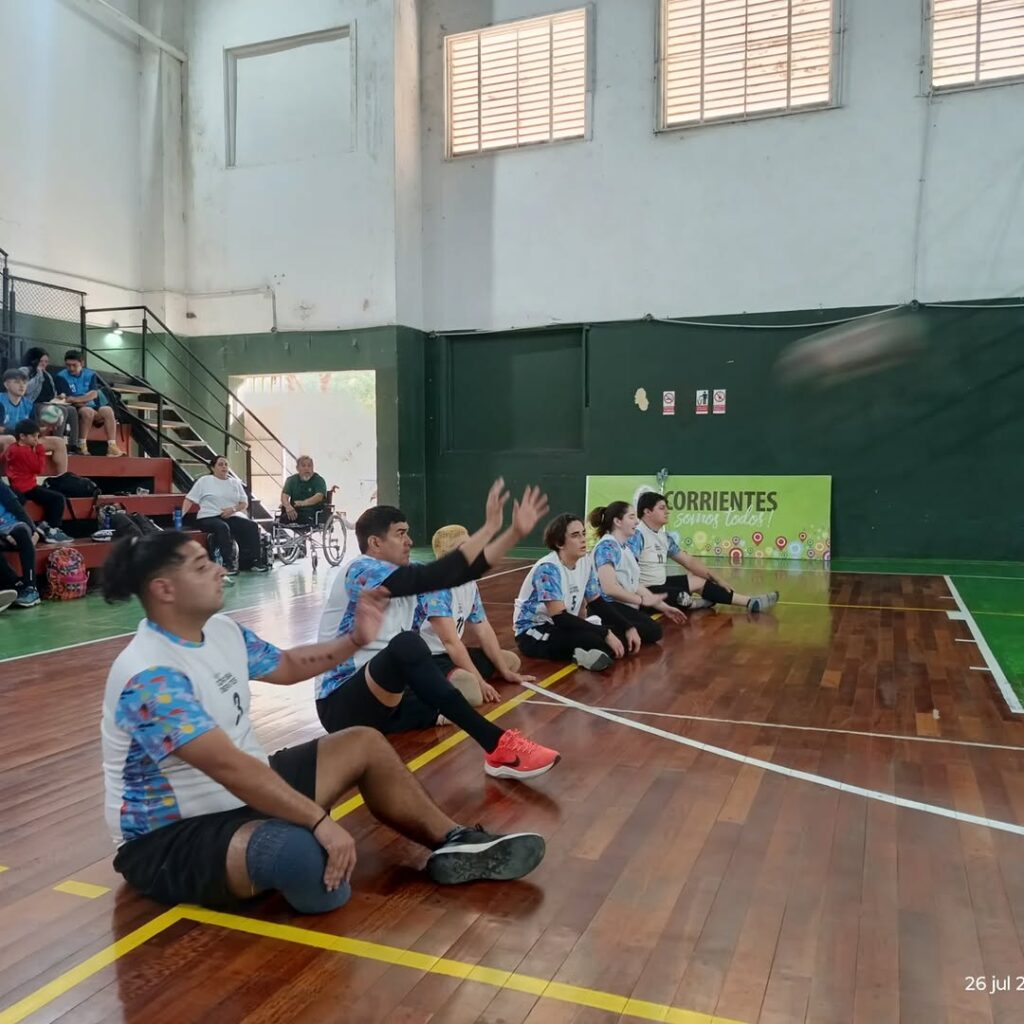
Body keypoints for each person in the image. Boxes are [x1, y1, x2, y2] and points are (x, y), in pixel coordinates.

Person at [100, 531, 546, 913]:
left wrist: (354, 639)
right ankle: (282, 836)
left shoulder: (222, 631)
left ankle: (455, 840)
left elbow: (288, 665)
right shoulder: (150, 675)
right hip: (171, 838)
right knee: (310, 869)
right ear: (164, 590)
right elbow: (229, 767)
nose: (218, 570)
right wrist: (317, 821)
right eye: (201, 566)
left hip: (242, 797)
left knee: (364, 743)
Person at [315, 480, 561, 781]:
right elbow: (435, 576)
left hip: (388, 696)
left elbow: (461, 573)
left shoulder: (411, 577)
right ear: (375, 543)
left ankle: (421, 717)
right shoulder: (360, 570)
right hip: (341, 702)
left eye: (408, 533)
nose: (409, 541)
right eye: (400, 534)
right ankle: (496, 745)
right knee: (408, 645)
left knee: (452, 692)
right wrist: (490, 529)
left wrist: (510, 532)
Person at [414, 524, 535, 715]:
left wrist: (505, 672)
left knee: (510, 662)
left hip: (450, 654)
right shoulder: (437, 586)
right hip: (429, 657)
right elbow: (451, 642)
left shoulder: (468, 582)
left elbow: (483, 628)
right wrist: (480, 681)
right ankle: (429, 684)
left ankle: (456, 677)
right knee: (473, 693)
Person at [513, 512, 637, 671]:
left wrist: (627, 626)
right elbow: (560, 617)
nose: (583, 539)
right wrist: (604, 632)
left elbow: (597, 601)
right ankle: (580, 653)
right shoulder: (548, 569)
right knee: (596, 640)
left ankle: (584, 652)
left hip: (562, 625)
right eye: (575, 535)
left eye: (583, 533)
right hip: (533, 630)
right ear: (559, 543)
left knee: (626, 634)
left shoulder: (585, 561)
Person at [632, 491, 779, 613]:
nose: (667, 511)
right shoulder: (636, 536)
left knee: (698, 580)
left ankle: (750, 602)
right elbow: (627, 572)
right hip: (642, 591)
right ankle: (695, 604)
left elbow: (688, 561)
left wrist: (718, 579)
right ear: (647, 512)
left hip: (660, 584)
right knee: (680, 596)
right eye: (662, 508)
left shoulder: (664, 537)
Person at [588, 502, 687, 646]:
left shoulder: (624, 548)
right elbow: (609, 588)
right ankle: (597, 632)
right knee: (652, 631)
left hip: (621, 604)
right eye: (631, 517)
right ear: (618, 521)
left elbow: (634, 584)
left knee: (653, 630)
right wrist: (640, 600)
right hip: (606, 606)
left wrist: (664, 607)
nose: (636, 521)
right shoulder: (607, 547)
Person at [182, 456, 268, 575]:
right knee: (222, 527)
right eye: (220, 464)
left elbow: (244, 503)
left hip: (230, 515)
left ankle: (255, 562)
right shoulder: (204, 481)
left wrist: (233, 509)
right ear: (213, 468)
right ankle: (228, 564)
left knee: (252, 525)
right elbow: (189, 499)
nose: (224, 467)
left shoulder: (235, 482)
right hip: (208, 517)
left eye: (226, 464)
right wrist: (180, 516)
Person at [1, 420, 73, 543]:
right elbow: (38, 468)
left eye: (37, 436)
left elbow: (4, 458)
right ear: (22, 436)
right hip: (27, 488)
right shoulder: (24, 451)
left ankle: (42, 527)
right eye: (33, 436)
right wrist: (39, 450)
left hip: (19, 486)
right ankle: (50, 529)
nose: (36, 439)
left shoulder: (12, 448)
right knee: (58, 499)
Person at [55, 350, 125, 457]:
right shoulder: (61, 377)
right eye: (68, 365)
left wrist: (78, 398)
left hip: (93, 406)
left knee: (108, 410)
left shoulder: (90, 374)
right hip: (76, 409)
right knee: (87, 412)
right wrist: (83, 399)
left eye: (74, 365)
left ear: (82, 363)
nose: (71, 368)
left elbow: (94, 394)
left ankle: (112, 446)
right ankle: (82, 445)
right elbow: (68, 399)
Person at [0, 369, 70, 475]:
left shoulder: (28, 404)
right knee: (10, 440)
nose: (22, 386)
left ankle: (63, 478)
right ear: (6, 384)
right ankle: (8, 478)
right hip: (6, 438)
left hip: (22, 439)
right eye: (17, 382)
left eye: (24, 383)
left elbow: (32, 429)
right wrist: (18, 433)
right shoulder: (1, 401)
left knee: (58, 442)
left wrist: (46, 428)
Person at [19, 347, 79, 447]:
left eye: (46, 362)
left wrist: (58, 397)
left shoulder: (47, 374)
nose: (44, 364)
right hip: (34, 404)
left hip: (47, 403)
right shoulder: (25, 370)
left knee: (72, 410)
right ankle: (58, 442)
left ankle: (74, 444)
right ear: (34, 360)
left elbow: (52, 392)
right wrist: (38, 374)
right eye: (41, 361)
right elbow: (27, 389)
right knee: (61, 411)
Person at [0, 481, 44, 607]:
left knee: (22, 531)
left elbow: (16, 506)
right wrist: (4, 536)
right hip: (1, 534)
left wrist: (33, 530)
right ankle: (15, 584)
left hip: (13, 524)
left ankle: (31, 588)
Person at [281, 456, 328, 527]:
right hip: (294, 510)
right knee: (283, 516)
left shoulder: (318, 480)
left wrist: (303, 503)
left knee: (304, 516)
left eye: (309, 466)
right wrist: (288, 506)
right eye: (303, 466)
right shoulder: (291, 480)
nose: (307, 468)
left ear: (313, 467)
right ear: (297, 468)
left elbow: (319, 496)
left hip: (311, 512)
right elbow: (284, 496)